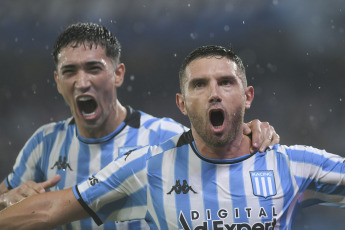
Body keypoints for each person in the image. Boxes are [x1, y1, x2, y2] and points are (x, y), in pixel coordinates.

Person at [0, 24, 279, 230]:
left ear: (118, 74)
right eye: (69, 72)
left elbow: (221, 160)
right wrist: (6, 200)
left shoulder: (165, 137)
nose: (82, 82)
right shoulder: (43, 143)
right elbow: (9, 200)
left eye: (94, 68)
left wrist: (247, 133)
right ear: (58, 81)